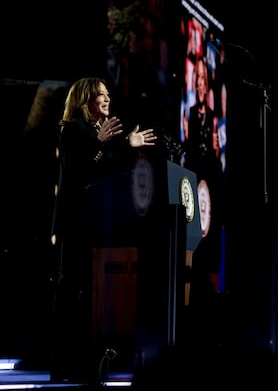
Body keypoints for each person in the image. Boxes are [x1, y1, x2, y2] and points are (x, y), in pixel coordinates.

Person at [50, 77, 156, 383]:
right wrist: (101, 144)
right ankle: (63, 364)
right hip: (76, 226)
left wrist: (127, 145)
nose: (108, 100)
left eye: (109, 95)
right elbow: (80, 170)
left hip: (99, 226)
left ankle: (85, 362)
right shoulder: (73, 130)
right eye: (101, 95)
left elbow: (108, 170)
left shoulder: (100, 132)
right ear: (85, 101)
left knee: (91, 296)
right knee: (73, 292)